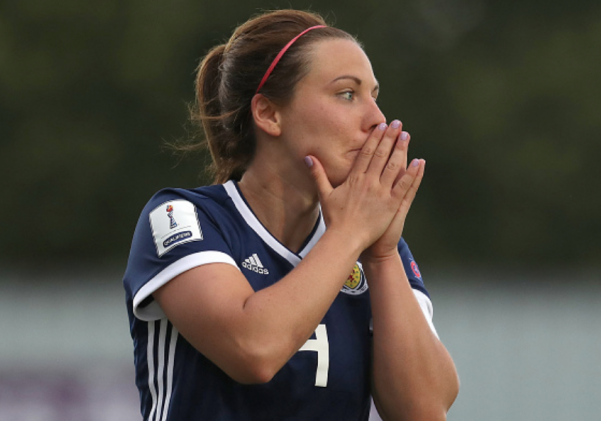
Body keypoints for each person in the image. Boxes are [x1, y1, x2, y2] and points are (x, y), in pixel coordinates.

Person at [123, 9, 459, 421]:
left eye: (374, 95)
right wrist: (350, 235)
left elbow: (423, 411)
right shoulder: (182, 216)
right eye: (347, 94)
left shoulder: (370, 244)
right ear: (268, 114)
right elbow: (252, 350)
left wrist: (382, 256)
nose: (376, 120)